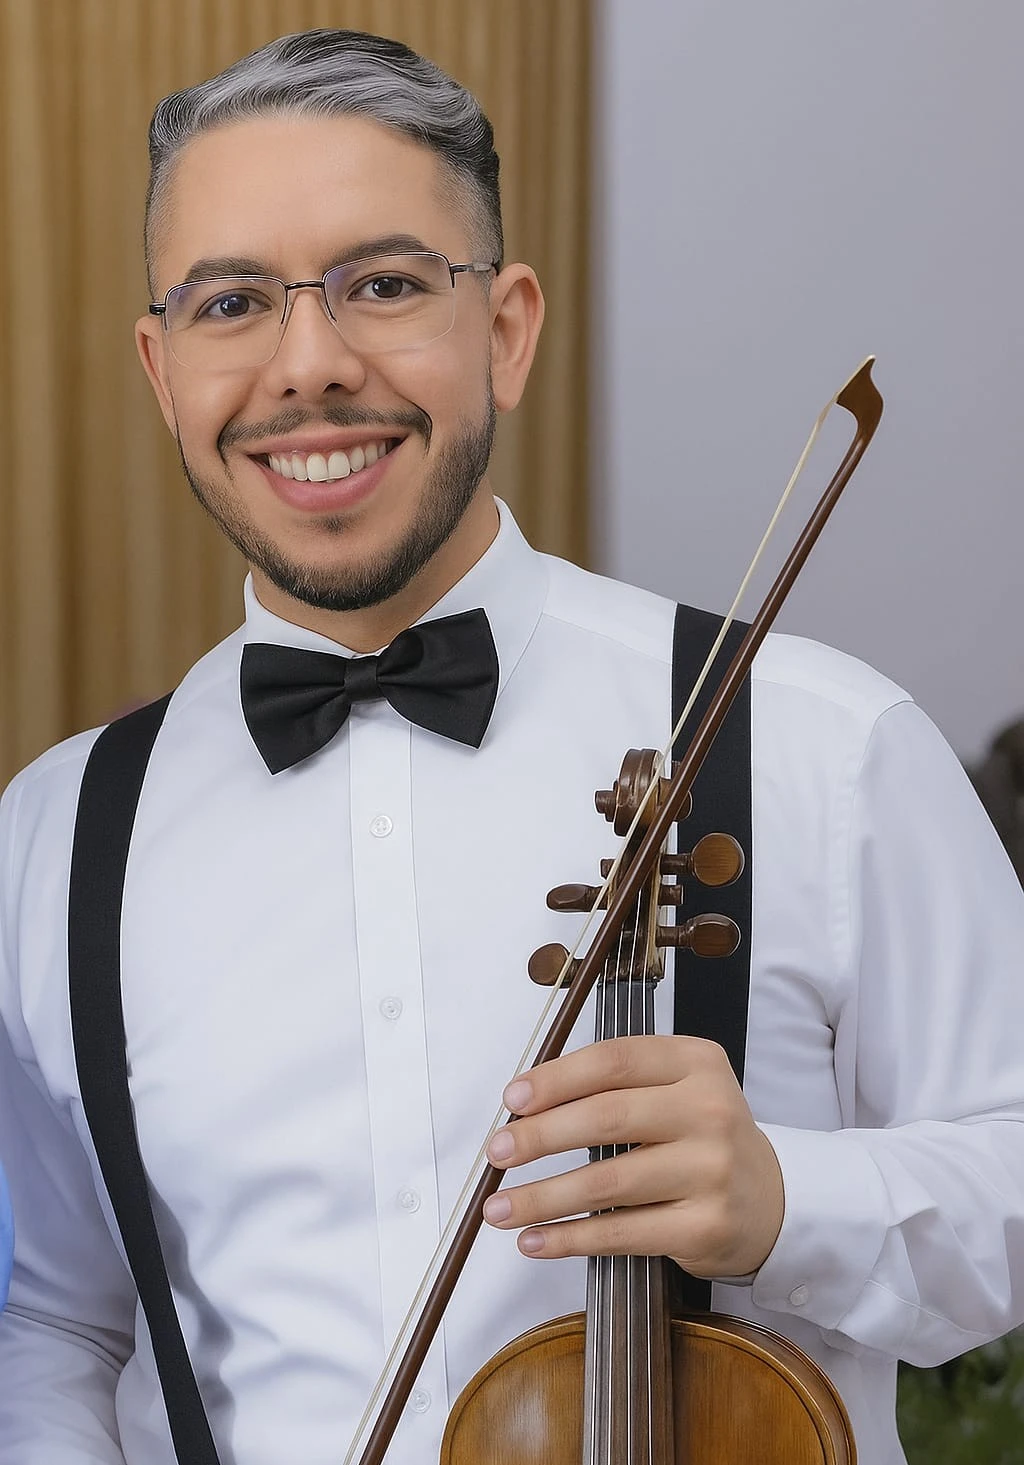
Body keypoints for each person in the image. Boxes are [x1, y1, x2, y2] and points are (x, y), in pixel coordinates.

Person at [0, 27, 1022, 1465]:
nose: (310, 367)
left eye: (385, 284)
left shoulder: (824, 745)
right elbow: (55, 1319)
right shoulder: (53, 837)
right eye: (233, 304)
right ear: (164, 373)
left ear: (507, 330)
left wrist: (790, 1203)